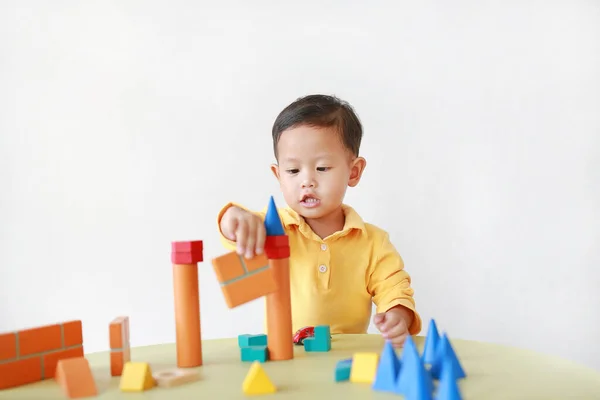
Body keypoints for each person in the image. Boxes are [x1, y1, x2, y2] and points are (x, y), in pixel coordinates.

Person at [216, 94, 422, 347]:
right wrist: (235, 218)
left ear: (354, 171)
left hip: (347, 356)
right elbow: (234, 233)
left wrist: (398, 315)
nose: (307, 181)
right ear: (278, 175)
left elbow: (394, 287)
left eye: (322, 168)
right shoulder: (274, 227)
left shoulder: (373, 242)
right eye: (293, 171)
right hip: (284, 356)